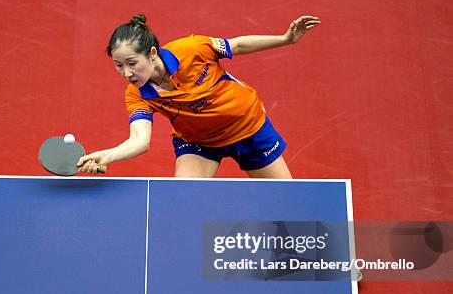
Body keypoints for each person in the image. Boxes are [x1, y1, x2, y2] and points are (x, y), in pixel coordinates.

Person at [77, 14, 321, 178]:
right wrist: (107, 155)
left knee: (286, 202)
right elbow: (140, 141)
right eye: (118, 66)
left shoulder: (192, 49)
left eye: (132, 63)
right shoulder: (137, 95)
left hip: (248, 127)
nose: (127, 73)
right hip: (199, 141)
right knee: (186, 200)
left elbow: (235, 46)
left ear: (152, 54)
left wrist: (285, 39)